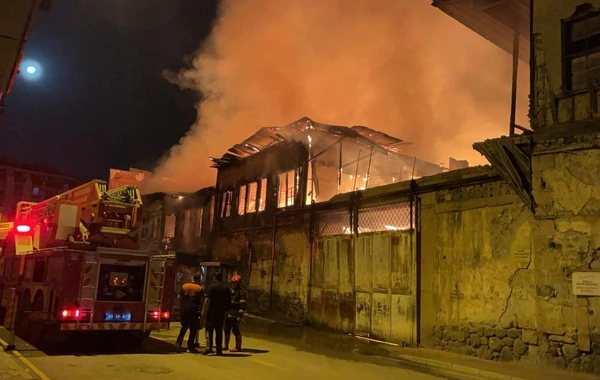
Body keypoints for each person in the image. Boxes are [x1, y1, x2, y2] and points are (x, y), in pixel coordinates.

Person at [201, 271, 230, 355]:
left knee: (209, 330)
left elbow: (207, 300)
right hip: (221, 312)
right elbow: (228, 301)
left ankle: (209, 348)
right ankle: (219, 349)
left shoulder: (212, 287)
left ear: (215, 278)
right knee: (219, 331)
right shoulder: (226, 288)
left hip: (211, 312)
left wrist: (204, 312)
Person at [176, 273, 203, 353]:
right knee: (193, 329)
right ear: (198, 280)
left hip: (185, 309)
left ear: (192, 278)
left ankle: (178, 342)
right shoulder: (199, 288)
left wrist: (181, 307)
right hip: (193, 310)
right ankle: (190, 346)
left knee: (184, 327)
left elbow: (179, 297)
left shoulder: (185, 286)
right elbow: (201, 301)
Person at [224, 274, 246, 352]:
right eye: (233, 282)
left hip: (235, 314)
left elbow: (242, 305)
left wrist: (239, 316)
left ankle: (238, 346)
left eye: (235, 283)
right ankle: (226, 345)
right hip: (228, 313)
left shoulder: (241, 292)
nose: (234, 284)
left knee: (235, 330)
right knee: (226, 329)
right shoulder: (231, 291)